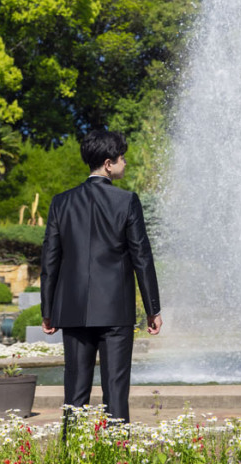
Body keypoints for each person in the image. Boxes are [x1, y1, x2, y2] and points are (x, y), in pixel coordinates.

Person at [40, 128, 162, 423]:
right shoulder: (127, 201)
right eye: (122, 158)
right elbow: (141, 257)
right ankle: (118, 452)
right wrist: (152, 309)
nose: (125, 163)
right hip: (116, 310)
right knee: (116, 389)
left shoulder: (61, 202)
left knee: (75, 393)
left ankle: (72, 453)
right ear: (109, 163)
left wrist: (48, 310)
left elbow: (50, 260)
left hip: (73, 309)